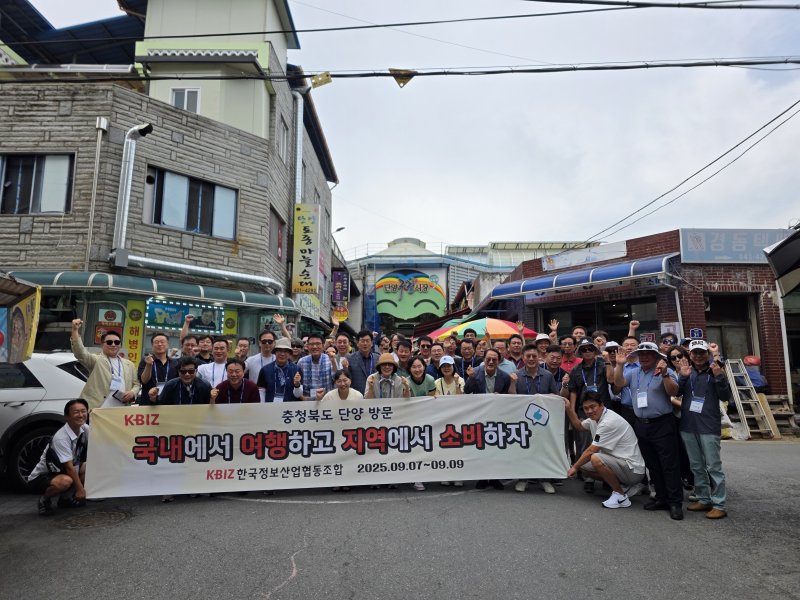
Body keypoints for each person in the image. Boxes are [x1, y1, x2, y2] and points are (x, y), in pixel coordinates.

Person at [613, 342, 684, 521]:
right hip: (642, 424)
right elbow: (618, 385)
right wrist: (620, 365)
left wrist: (666, 373)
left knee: (669, 465)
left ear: (657, 356)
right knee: (652, 465)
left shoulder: (664, 371)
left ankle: (675, 502)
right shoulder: (634, 372)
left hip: (662, 423)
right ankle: (661, 498)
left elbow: (673, 391)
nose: (644, 357)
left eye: (648, 354)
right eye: (641, 354)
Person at [676, 340, 731, 519]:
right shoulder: (687, 372)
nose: (698, 356)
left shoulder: (715, 370)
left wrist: (719, 377)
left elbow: (725, 396)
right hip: (688, 424)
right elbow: (677, 392)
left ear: (707, 354)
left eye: (702, 353)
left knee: (713, 466)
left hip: (708, 425)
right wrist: (682, 376)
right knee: (696, 465)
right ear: (690, 355)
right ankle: (703, 498)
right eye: (695, 353)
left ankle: (719, 504)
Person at [564, 393, 646, 509]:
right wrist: (568, 408)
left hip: (633, 470)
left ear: (601, 405)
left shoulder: (608, 422)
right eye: (586, 408)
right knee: (584, 466)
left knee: (594, 458)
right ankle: (623, 485)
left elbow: (592, 450)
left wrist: (574, 467)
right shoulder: (595, 418)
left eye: (593, 407)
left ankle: (620, 495)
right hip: (620, 464)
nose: (590, 411)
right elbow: (579, 426)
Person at [27, 399, 89, 515]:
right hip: (42, 477)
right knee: (65, 481)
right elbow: (69, 468)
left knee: (91, 467)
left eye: (83, 411)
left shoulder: (84, 429)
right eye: (76, 412)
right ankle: (44, 499)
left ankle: (65, 499)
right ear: (67, 417)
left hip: (64, 471)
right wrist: (81, 490)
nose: (81, 415)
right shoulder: (61, 437)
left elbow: (100, 439)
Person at [568, 339, 615, 493]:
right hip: (584, 411)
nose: (587, 351)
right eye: (584, 349)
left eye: (590, 349)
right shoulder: (576, 370)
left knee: (606, 445)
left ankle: (607, 476)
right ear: (580, 352)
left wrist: (608, 362)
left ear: (595, 351)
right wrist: (573, 410)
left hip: (604, 411)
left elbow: (610, 379)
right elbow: (573, 391)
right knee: (585, 444)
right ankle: (589, 477)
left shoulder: (602, 364)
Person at [514, 343, 560, 494]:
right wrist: (512, 383)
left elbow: (555, 396)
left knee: (542, 450)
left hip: (543, 420)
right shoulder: (517, 375)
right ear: (523, 357)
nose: (532, 359)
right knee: (524, 449)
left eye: (534, 356)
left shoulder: (547, 375)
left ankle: (544, 479)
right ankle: (523, 478)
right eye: (528, 356)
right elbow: (511, 398)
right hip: (523, 420)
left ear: (539, 357)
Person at [70, 319, 139, 409]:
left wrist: (132, 392)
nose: (113, 345)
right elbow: (80, 353)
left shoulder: (129, 364)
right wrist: (75, 330)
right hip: (98, 409)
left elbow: (136, 384)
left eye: (117, 342)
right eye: (109, 342)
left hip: (121, 409)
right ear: (102, 345)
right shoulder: (96, 360)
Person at [143, 357, 212, 405]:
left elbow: (210, 407)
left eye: (191, 371)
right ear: (178, 372)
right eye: (183, 371)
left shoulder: (205, 385)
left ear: (196, 371)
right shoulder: (171, 385)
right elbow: (161, 406)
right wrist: (153, 399)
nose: (187, 374)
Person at [256, 338, 303, 403]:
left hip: (290, 409)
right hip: (270, 407)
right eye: (279, 351)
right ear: (275, 352)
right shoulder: (265, 370)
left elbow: (298, 395)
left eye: (285, 351)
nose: (282, 354)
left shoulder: (296, 369)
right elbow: (261, 392)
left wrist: (297, 385)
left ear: (289, 353)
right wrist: (263, 408)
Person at [137, 331, 178, 404]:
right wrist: (149, 365)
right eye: (156, 342)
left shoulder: (174, 363)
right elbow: (144, 380)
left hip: (169, 403)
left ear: (167, 345)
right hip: (148, 402)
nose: (159, 344)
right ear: (152, 346)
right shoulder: (145, 361)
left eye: (162, 342)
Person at [297, 333, 334, 400]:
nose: (314, 347)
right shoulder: (301, 362)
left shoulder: (330, 359)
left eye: (318, 344)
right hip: (307, 402)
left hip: (328, 402)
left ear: (323, 346)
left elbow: (335, 379)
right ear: (307, 346)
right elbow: (298, 383)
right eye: (311, 344)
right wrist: (303, 398)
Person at [347, 330, 381, 394]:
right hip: (357, 397)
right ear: (357, 343)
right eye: (362, 341)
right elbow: (348, 378)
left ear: (371, 343)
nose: (365, 343)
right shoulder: (350, 358)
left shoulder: (378, 358)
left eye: (367, 341)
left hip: (374, 396)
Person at [246, 330, 276, 394]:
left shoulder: (278, 359)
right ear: (259, 343)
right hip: (255, 395)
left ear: (274, 343)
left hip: (273, 395)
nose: (267, 344)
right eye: (264, 341)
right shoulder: (250, 360)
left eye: (270, 341)